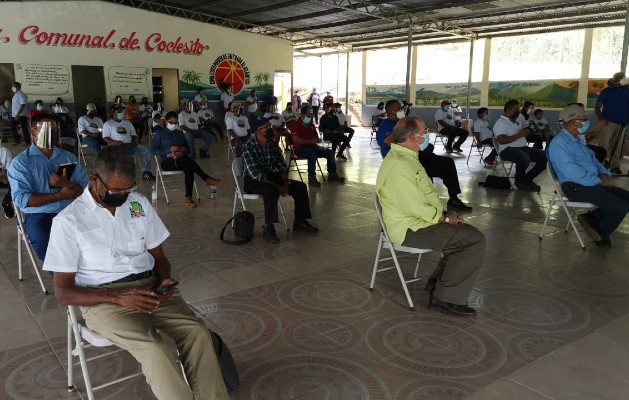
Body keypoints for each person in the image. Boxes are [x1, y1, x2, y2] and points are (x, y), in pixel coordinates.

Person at [42, 145, 229, 400]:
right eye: (115, 190)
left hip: (151, 288)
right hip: (104, 300)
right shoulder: (69, 221)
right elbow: (63, 293)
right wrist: (117, 297)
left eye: (127, 189)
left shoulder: (137, 204)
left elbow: (160, 258)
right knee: (153, 347)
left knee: (197, 331)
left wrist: (164, 280)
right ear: (94, 179)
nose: (122, 196)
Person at [376, 116, 485, 316]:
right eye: (424, 133)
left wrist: (445, 215)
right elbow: (414, 206)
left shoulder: (408, 158)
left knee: (463, 236)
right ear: (413, 137)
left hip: (419, 222)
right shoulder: (399, 165)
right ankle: (446, 298)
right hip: (410, 228)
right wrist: (444, 217)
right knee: (473, 239)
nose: (427, 136)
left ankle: (438, 285)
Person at [547, 104, 629, 248]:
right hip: (576, 188)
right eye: (584, 119)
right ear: (573, 122)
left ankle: (593, 219)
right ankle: (600, 231)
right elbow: (573, 173)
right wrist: (599, 180)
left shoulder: (578, 140)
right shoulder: (559, 144)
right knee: (620, 206)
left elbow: (595, 162)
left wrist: (604, 173)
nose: (587, 122)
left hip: (592, 182)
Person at [8, 114, 88, 259]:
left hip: (70, 211)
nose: (54, 133)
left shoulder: (68, 157)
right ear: (33, 131)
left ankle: (92, 273)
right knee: (47, 243)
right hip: (40, 215)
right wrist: (61, 195)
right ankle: (63, 277)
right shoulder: (21, 163)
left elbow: (84, 187)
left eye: (55, 129)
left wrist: (66, 185)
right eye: (48, 129)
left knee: (94, 234)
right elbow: (23, 200)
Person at [377, 100, 471, 211]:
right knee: (424, 169)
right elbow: (393, 142)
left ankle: (454, 198)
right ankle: (426, 202)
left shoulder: (402, 123)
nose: (402, 110)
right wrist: (403, 125)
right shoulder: (386, 125)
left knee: (447, 162)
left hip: (417, 155)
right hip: (403, 159)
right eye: (399, 108)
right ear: (392, 111)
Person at [242, 121, 319, 243]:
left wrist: (285, 182)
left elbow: (282, 165)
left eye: (270, 126)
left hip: (272, 177)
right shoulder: (248, 146)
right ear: (257, 130)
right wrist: (279, 186)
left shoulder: (272, 143)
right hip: (253, 180)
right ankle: (269, 227)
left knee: (300, 187)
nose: (269, 129)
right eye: (265, 127)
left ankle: (300, 220)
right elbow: (256, 174)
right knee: (271, 191)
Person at [152, 111, 220, 208]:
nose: (174, 125)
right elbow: (154, 150)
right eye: (171, 123)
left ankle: (189, 197)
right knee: (186, 160)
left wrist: (184, 149)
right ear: (166, 122)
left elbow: (188, 148)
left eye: (176, 123)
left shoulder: (179, 133)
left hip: (181, 158)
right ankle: (205, 178)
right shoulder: (160, 133)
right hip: (167, 162)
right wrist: (169, 150)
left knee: (188, 167)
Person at [493, 99, 547, 191]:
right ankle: (519, 180)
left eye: (519, 109)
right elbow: (501, 140)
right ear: (508, 110)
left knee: (546, 156)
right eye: (516, 109)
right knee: (524, 158)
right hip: (507, 150)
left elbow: (518, 134)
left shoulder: (516, 121)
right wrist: (520, 134)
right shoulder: (500, 123)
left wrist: (525, 132)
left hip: (522, 148)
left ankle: (527, 179)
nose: (518, 111)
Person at [290, 105, 346, 187]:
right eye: (308, 116)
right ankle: (311, 178)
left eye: (311, 117)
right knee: (312, 154)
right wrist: (310, 141)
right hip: (300, 148)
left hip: (313, 146)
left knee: (330, 152)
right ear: (302, 115)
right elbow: (295, 139)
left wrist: (317, 139)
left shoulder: (311, 125)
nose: (310, 118)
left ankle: (332, 174)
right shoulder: (295, 125)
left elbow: (316, 136)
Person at [102, 104, 155, 180]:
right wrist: (115, 142)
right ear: (113, 113)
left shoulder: (127, 123)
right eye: (119, 111)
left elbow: (134, 135)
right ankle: (125, 175)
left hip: (130, 145)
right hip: (116, 147)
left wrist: (134, 141)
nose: (122, 113)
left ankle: (146, 173)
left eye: (122, 111)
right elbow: (105, 138)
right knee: (127, 156)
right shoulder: (108, 124)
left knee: (146, 151)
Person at [594, 72, 629, 174]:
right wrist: (601, 119)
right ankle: (602, 163)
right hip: (607, 122)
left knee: (617, 146)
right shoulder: (606, 92)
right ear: (617, 80)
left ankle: (615, 166)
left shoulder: (627, 91)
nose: (625, 80)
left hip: (622, 123)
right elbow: (597, 106)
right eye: (623, 78)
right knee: (603, 144)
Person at [0, 144, 14, 218]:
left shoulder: (5, 151)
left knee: (16, 184)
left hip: (4, 178)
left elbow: (10, 170)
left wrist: (8, 178)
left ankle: (6, 202)